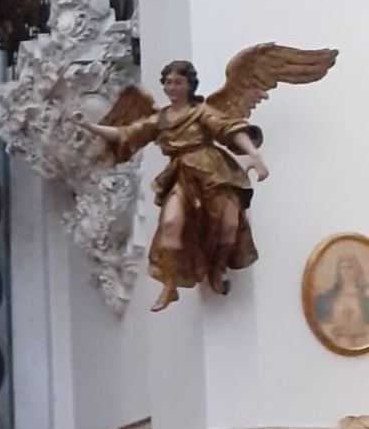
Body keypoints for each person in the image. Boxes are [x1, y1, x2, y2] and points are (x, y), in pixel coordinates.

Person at [78, 60, 267, 312]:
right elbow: (126, 134)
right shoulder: (160, 119)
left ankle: (218, 266)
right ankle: (170, 283)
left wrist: (254, 155)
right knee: (169, 223)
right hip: (182, 175)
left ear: (189, 84)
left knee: (230, 224)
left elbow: (229, 129)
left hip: (214, 171)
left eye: (178, 82)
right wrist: (89, 126)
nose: (172, 87)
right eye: (168, 82)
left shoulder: (201, 112)